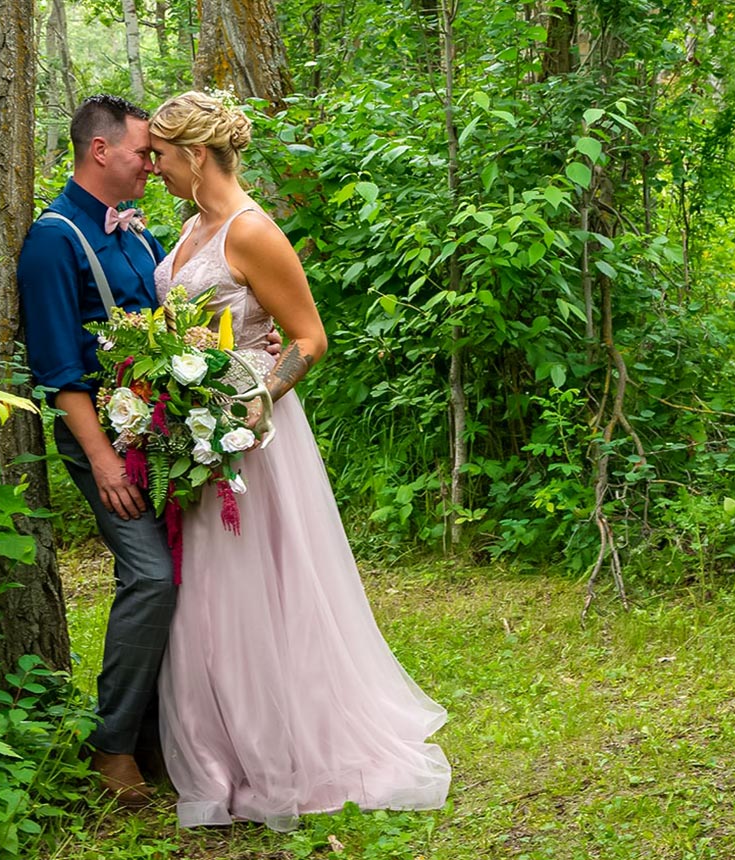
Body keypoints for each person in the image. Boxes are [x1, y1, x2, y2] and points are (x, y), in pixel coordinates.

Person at [147, 91, 450, 831]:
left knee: (257, 589)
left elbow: (308, 337)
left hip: (252, 435)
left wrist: (261, 398)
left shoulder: (252, 233)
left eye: (160, 156)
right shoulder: (190, 228)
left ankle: (280, 746)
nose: (151, 168)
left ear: (195, 155)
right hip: (192, 430)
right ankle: (215, 747)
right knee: (205, 596)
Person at [17, 95, 172, 806]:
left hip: (166, 437)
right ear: (101, 151)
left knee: (193, 577)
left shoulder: (139, 233)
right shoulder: (52, 240)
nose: (154, 162)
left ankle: (163, 736)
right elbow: (57, 370)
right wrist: (104, 462)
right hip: (102, 442)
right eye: (145, 151)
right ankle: (110, 747)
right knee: (151, 579)